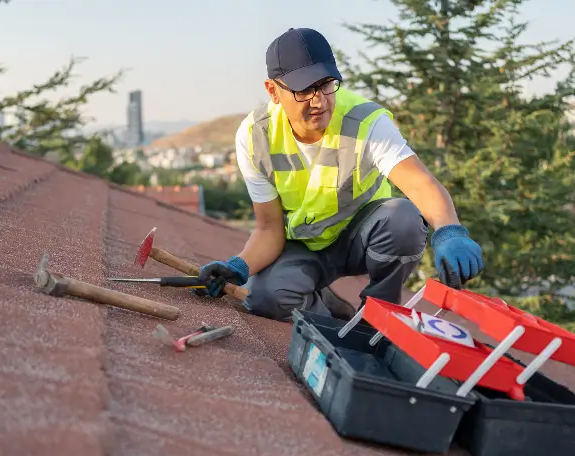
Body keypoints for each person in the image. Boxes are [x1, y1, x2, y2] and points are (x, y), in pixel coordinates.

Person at [196, 27, 484, 322]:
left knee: (405, 218)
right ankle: (335, 320)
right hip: (305, 246)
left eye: (325, 84)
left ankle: (377, 316)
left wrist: (450, 231)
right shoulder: (255, 136)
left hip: (363, 239)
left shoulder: (365, 121)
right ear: (273, 91)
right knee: (267, 298)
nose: (319, 101)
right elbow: (269, 229)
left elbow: (421, 185)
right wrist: (239, 267)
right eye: (304, 90)